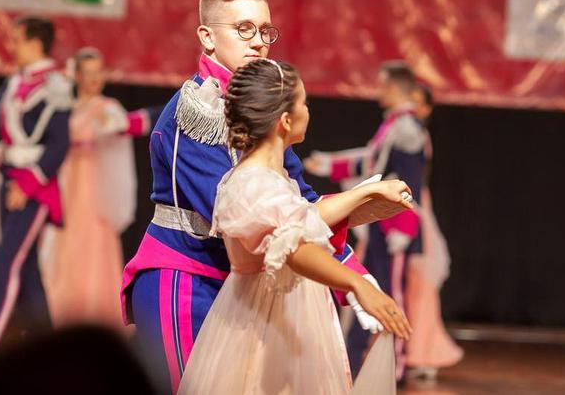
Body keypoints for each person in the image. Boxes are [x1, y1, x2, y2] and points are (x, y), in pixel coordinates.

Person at [121, 0, 385, 392]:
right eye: (244, 29)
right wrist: (348, 268)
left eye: (265, 30)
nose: (259, 42)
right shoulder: (196, 113)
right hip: (185, 280)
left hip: (237, 284)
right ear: (207, 37)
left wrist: (355, 271)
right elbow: (257, 220)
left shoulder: (256, 109)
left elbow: (298, 200)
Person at [179, 58, 412, 394]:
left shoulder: (273, 179)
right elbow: (293, 248)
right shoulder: (252, 184)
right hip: (265, 327)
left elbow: (304, 217)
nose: (308, 111)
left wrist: (368, 194)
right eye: (304, 103)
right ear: (286, 121)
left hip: (290, 317)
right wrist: (357, 284)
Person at [304, 61, 427, 380]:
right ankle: (355, 359)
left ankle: (397, 364)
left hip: (394, 226)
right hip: (380, 225)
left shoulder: (407, 127)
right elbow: (372, 161)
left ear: (394, 87)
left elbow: (411, 182)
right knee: (367, 286)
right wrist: (331, 164)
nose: (378, 91)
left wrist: (404, 227)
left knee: (393, 291)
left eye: (383, 85)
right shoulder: (394, 123)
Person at [39, 47, 160, 330]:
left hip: (93, 188)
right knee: (61, 244)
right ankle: (58, 315)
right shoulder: (66, 109)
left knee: (91, 243)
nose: (95, 78)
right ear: (77, 76)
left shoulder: (107, 108)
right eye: (88, 73)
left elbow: (125, 126)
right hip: (66, 185)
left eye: (99, 72)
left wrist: (116, 124)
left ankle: (93, 320)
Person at [0, 16, 72, 357]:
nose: (12, 46)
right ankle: (50, 351)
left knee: (3, 268)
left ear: (36, 43)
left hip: (31, 188)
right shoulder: (16, 82)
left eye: (17, 39)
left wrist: (28, 185)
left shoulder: (56, 86)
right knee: (28, 271)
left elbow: (59, 145)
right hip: (8, 180)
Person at [405, 83, 463, 380]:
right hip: (402, 204)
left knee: (421, 281)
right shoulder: (403, 130)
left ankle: (423, 350)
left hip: (413, 207)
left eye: (418, 103)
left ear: (427, 109)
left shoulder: (417, 135)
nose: (412, 107)